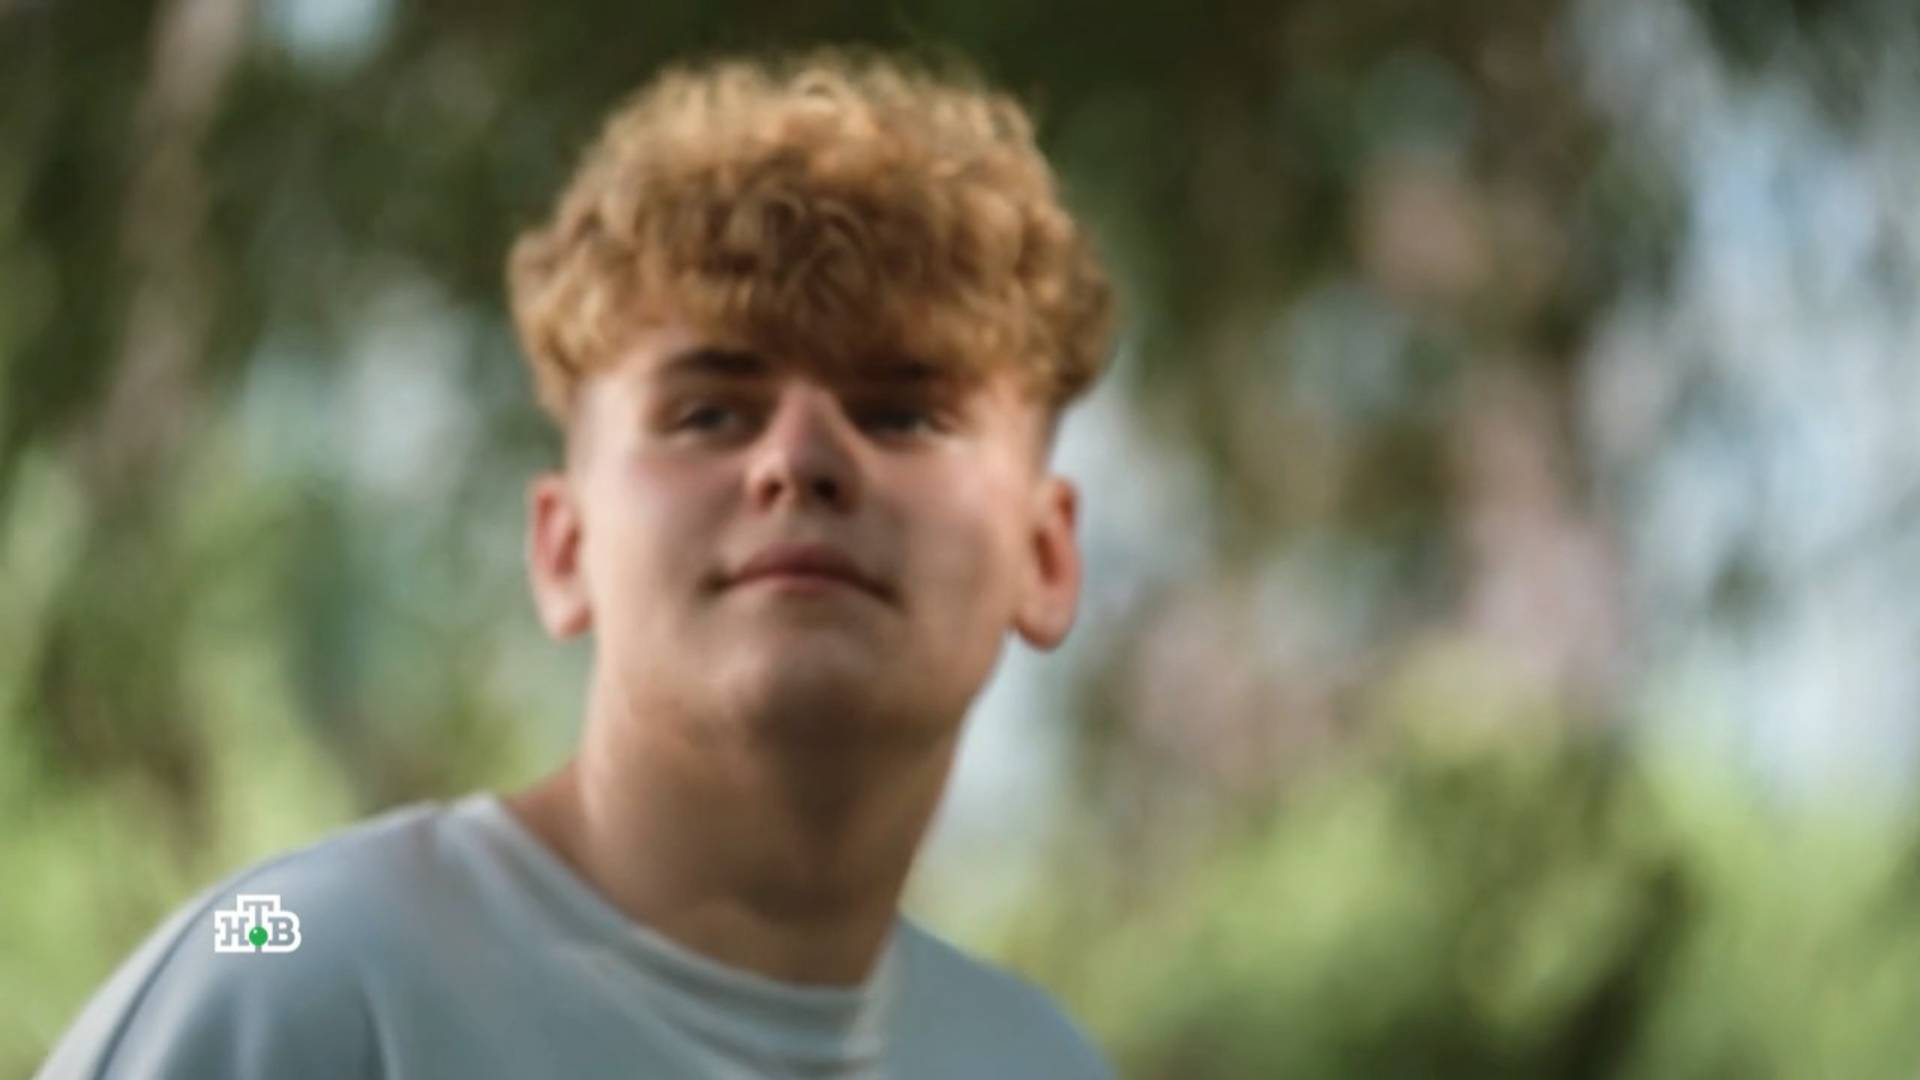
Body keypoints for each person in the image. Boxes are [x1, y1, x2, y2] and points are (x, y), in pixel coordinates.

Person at [38, 46, 1116, 1079]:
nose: (799, 459)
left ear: (1046, 556)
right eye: (708, 412)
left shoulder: (1038, 1061)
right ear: (563, 548)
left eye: (903, 413)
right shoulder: (288, 952)